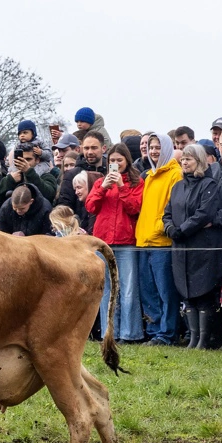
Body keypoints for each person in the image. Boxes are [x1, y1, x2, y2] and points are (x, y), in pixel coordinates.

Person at [163, 144, 222, 349]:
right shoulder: (177, 186)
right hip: (180, 247)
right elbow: (168, 212)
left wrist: (184, 229)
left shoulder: (209, 185)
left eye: (189, 159)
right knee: (186, 292)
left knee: (202, 292)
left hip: (201, 245)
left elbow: (204, 213)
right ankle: (193, 337)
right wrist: (170, 228)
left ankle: (203, 340)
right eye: (183, 159)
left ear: (199, 161)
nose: (184, 162)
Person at [85, 143, 145, 342]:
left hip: (126, 242)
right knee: (106, 290)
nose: (116, 164)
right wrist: (103, 188)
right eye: (112, 160)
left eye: (119, 160)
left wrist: (121, 187)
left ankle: (130, 333)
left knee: (128, 288)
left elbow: (134, 208)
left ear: (127, 161)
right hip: (104, 242)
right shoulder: (100, 182)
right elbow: (91, 206)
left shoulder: (137, 182)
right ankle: (109, 332)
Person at [134, 133, 183, 345]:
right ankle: (154, 331)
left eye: (158, 147)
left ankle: (168, 333)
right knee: (148, 291)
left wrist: (159, 228)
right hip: (143, 241)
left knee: (166, 292)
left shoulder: (175, 174)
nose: (154, 151)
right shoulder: (148, 176)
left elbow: (174, 207)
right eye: (151, 147)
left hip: (161, 243)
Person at [0, 143, 56, 209]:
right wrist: (10, 180)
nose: (24, 162)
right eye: (21, 159)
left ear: (37, 160)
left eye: (28, 159)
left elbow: (49, 195)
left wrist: (29, 172)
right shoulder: (10, 176)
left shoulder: (46, 176)